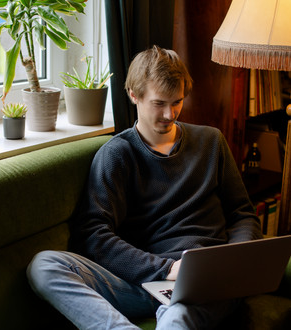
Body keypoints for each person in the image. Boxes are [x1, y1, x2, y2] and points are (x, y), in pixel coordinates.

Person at [27, 45, 263, 329]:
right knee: (45, 266)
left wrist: (234, 259)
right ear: (134, 95)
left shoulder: (211, 142)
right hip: (143, 283)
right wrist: (166, 269)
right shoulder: (117, 154)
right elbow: (91, 234)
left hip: (206, 284)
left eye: (177, 102)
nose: (170, 113)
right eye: (159, 103)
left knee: (178, 317)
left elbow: (242, 213)